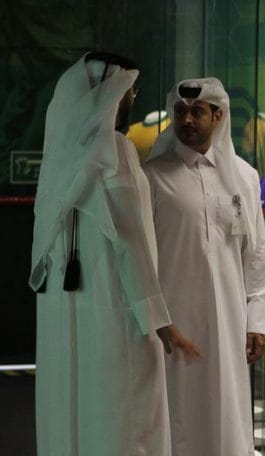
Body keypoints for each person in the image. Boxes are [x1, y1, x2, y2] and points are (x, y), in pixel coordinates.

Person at [29, 52, 199, 456]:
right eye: (129, 91)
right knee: (124, 412)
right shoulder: (114, 150)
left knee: (72, 405)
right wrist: (159, 320)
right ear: (110, 93)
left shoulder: (59, 155)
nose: (132, 99)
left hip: (62, 310)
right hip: (113, 306)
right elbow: (129, 239)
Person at [144, 77, 265, 456]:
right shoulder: (152, 177)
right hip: (174, 322)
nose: (187, 120)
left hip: (231, 321)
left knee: (228, 407)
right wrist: (155, 319)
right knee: (179, 410)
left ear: (218, 116)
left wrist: (257, 321)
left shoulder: (243, 177)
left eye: (197, 112)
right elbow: (141, 257)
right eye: (180, 111)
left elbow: (256, 253)